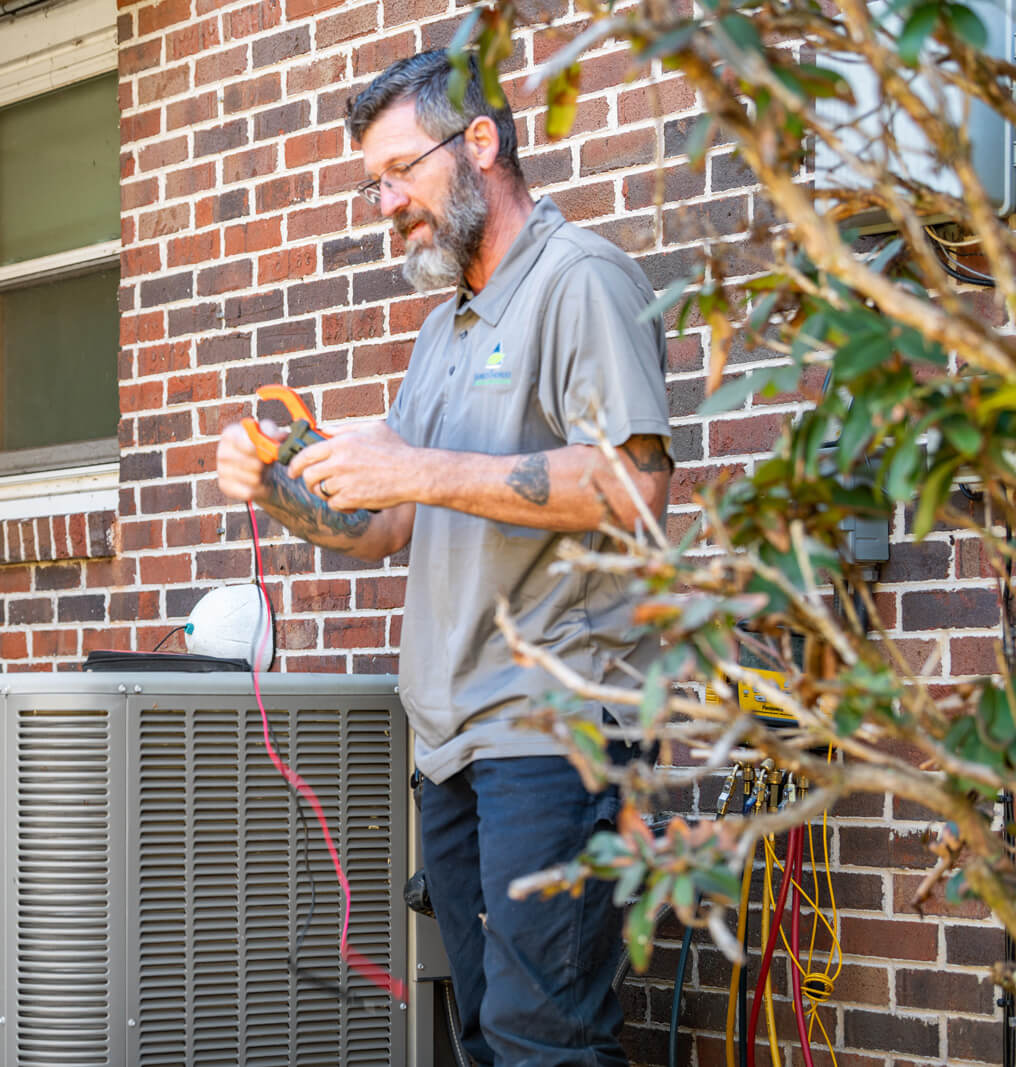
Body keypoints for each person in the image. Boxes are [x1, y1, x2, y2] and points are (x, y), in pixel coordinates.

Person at [215, 49, 672, 1066]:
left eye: (397, 172)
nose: (383, 203)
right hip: (452, 743)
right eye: (371, 182)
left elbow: (633, 486)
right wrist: (276, 490)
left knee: (541, 1040)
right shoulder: (442, 329)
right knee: (481, 1036)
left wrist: (413, 463)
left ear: (479, 143)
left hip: (555, 735)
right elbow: (386, 520)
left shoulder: (579, 278)